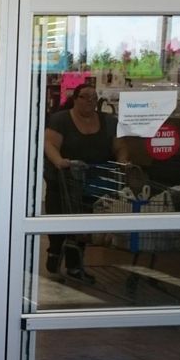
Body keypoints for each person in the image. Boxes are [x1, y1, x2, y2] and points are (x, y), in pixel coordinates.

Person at [42, 83, 129, 281]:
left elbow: (120, 146)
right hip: (64, 181)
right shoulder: (61, 120)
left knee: (83, 224)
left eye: (94, 97)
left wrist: (123, 162)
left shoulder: (108, 121)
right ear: (75, 99)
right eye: (85, 96)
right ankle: (54, 253)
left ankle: (74, 265)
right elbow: (50, 144)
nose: (90, 101)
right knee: (59, 219)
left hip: (94, 182)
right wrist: (60, 161)